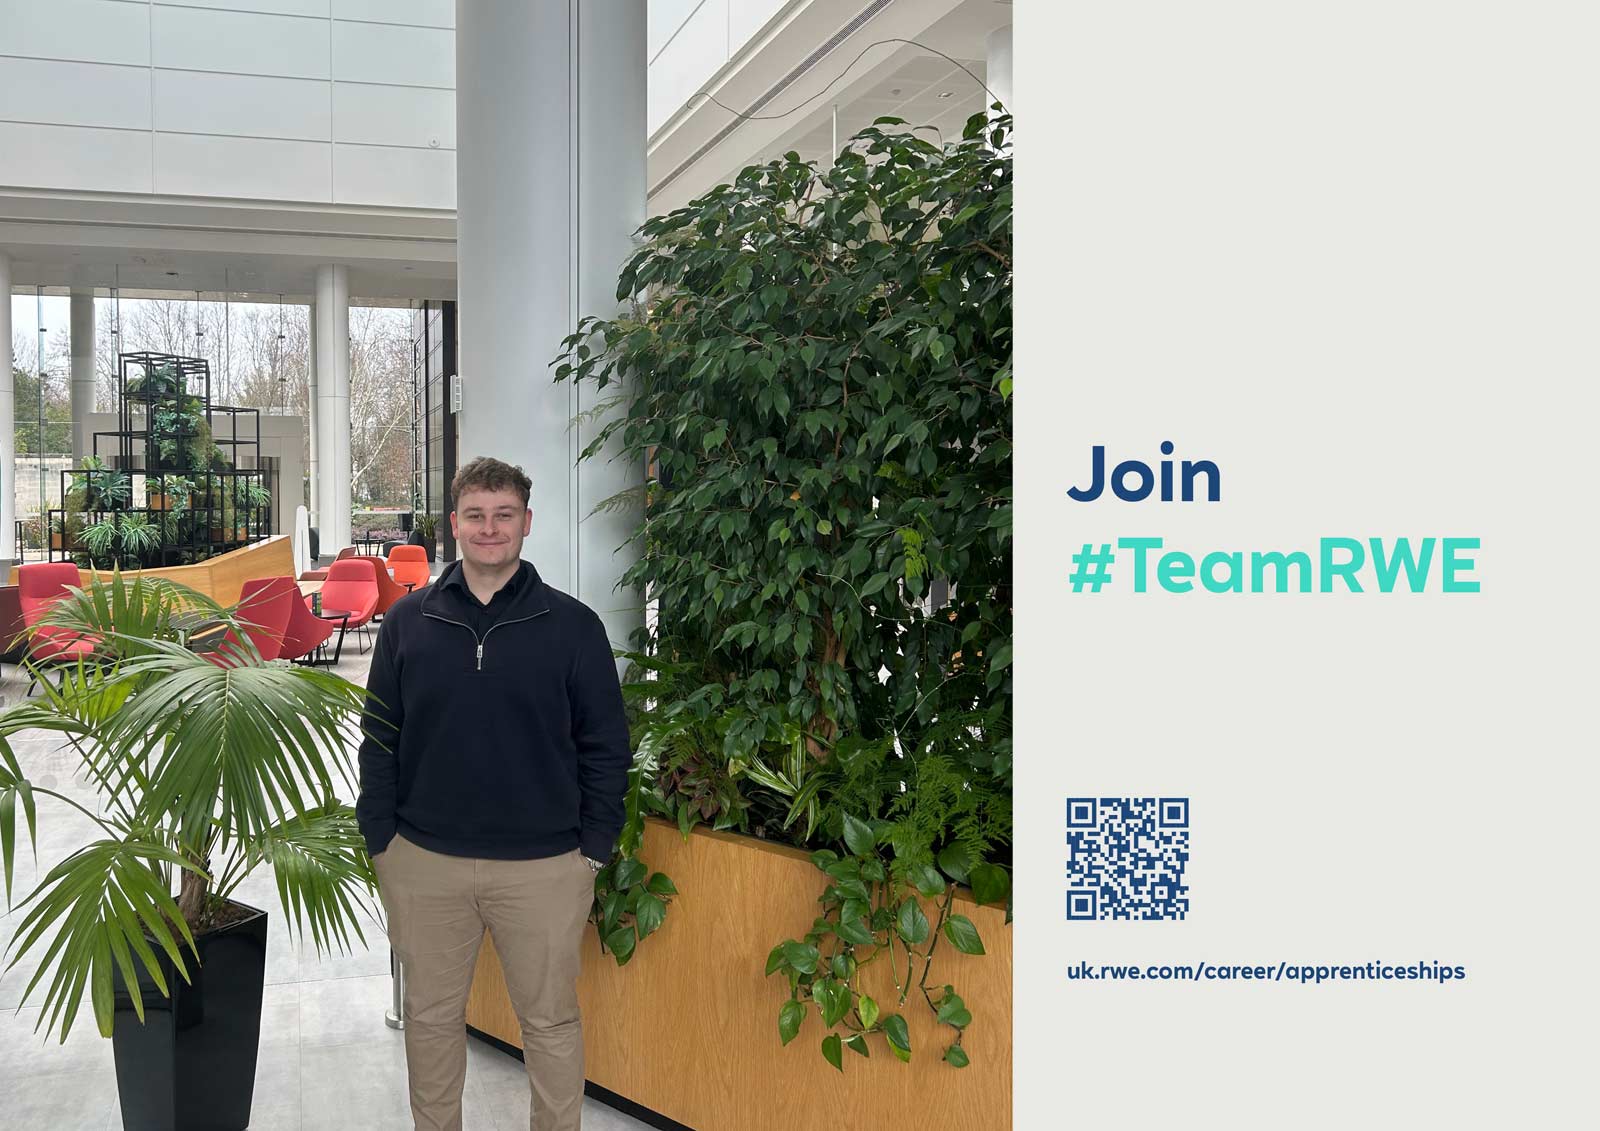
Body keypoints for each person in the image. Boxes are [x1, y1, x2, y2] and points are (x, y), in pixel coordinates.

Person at [356, 456, 632, 1131]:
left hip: (544, 866)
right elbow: (379, 737)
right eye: (475, 515)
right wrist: (381, 840)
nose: (489, 528)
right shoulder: (407, 623)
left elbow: (606, 745)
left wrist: (592, 849)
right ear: (454, 524)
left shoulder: (574, 628)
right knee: (430, 1019)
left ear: (526, 523)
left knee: (551, 1021)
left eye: (503, 514)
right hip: (424, 859)